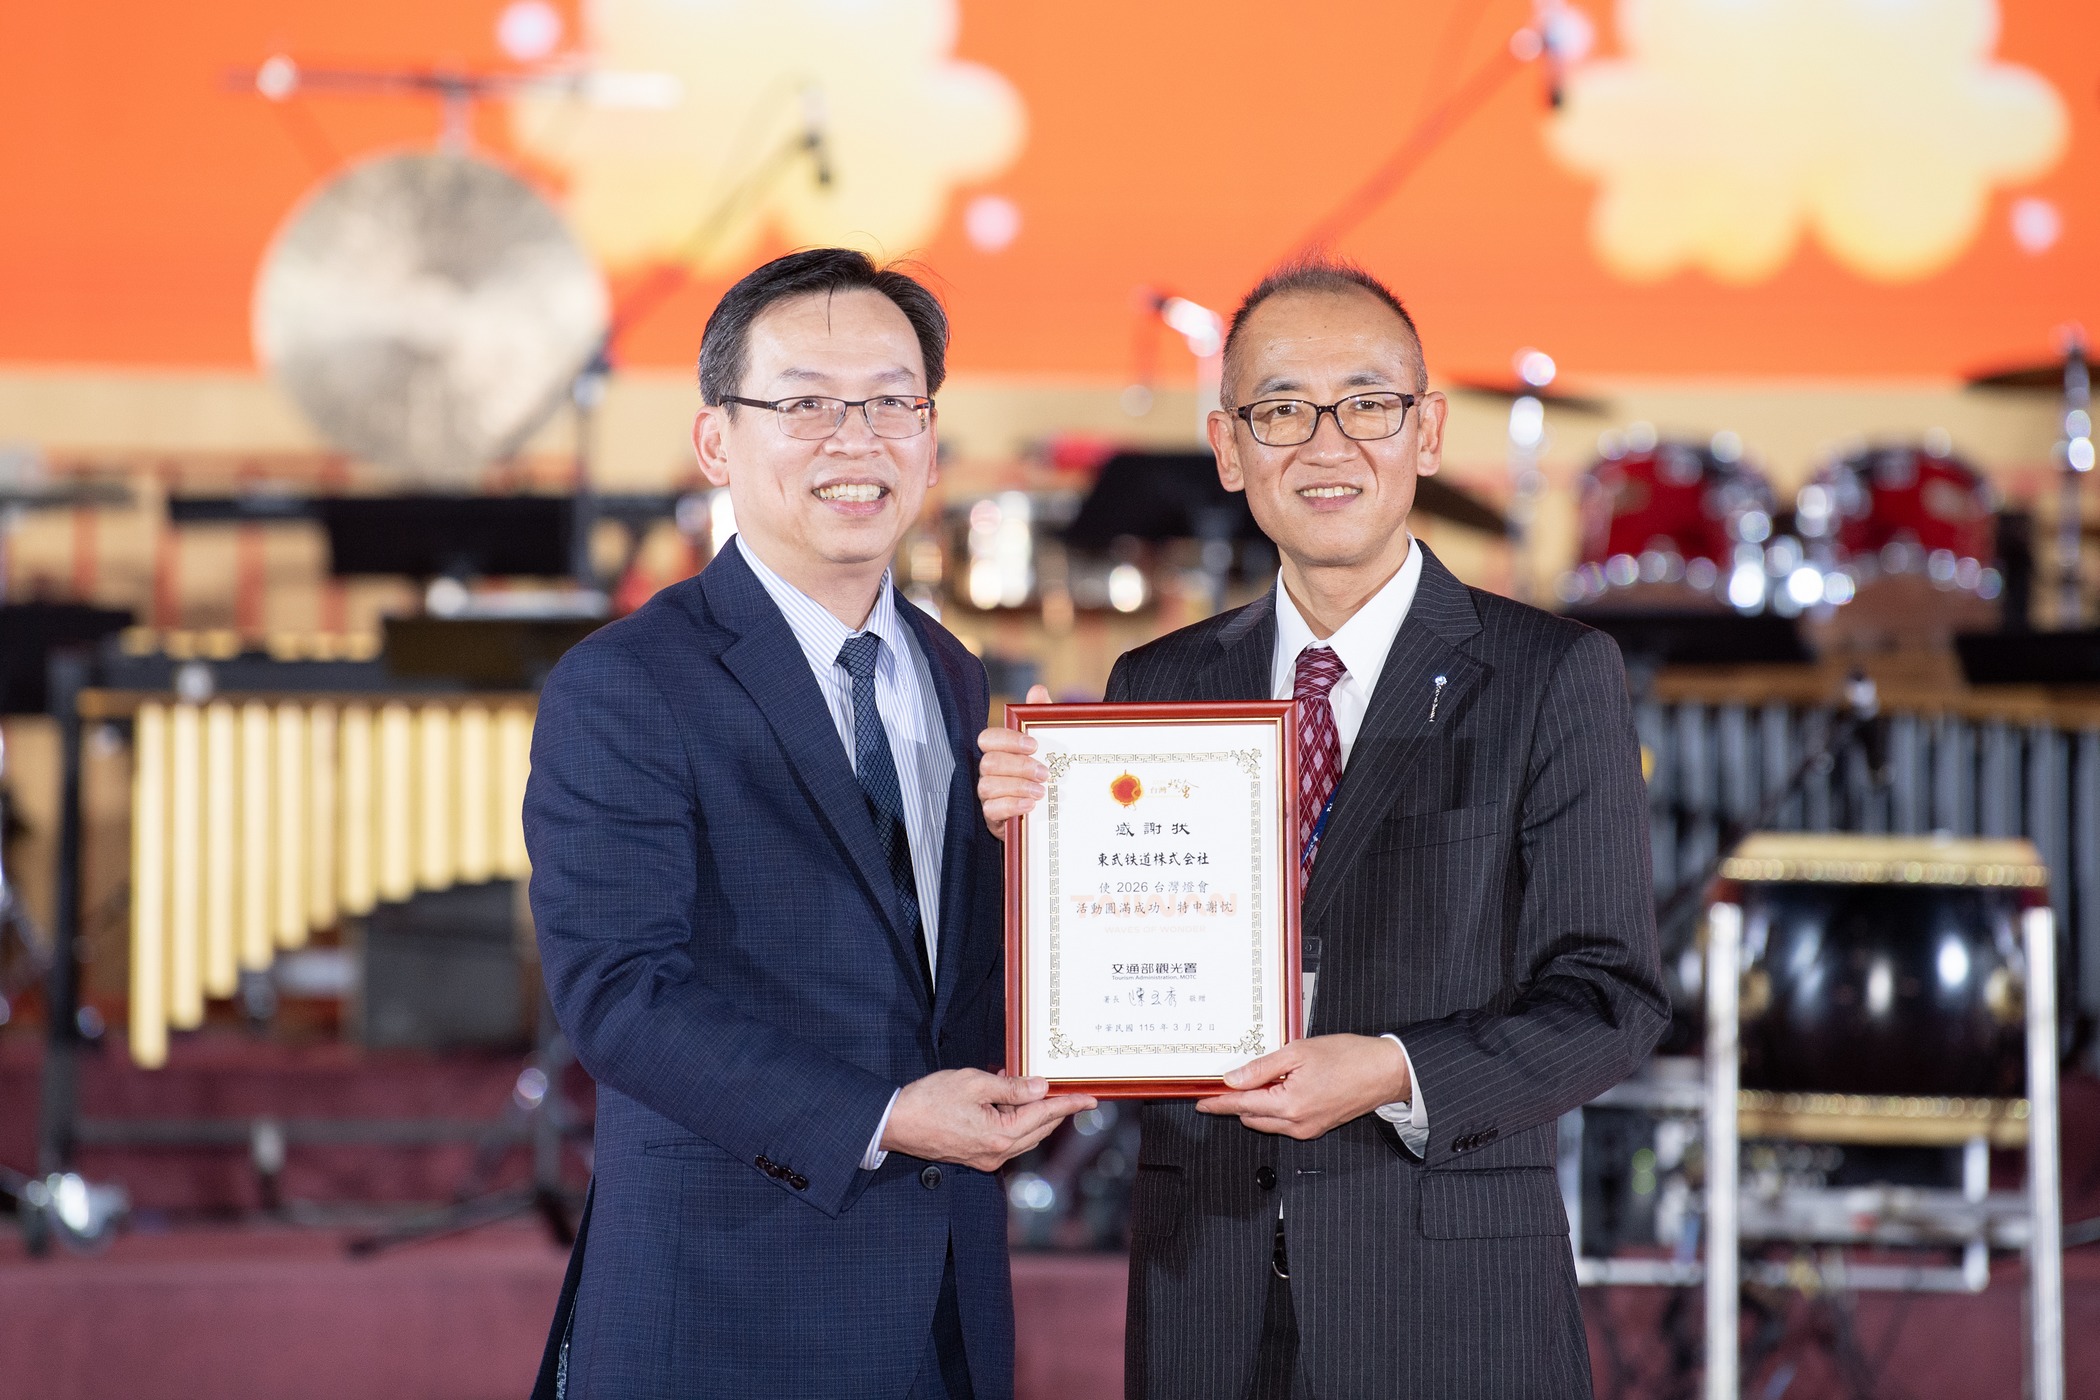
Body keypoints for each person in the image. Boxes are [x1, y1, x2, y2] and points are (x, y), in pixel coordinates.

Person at [979, 258, 1666, 1399]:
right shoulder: (1156, 684)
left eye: (1368, 404)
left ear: (1427, 431)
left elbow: (1609, 999)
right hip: (1207, 1302)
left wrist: (1392, 1069)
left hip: (1448, 1307)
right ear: (1229, 448)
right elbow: (1096, 978)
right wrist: (1033, 856)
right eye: (1283, 409)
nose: (1326, 444)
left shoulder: (1551, 674)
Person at [526, 248, 1092, 1400]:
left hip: (943, 1313)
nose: (855, 439)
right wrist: (885, 1116)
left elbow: (937, 975)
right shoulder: (627, 681)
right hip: (725, 1314)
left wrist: (1053, 875)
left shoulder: (952, 672)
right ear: (716, 440)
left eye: (890, 402)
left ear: (929, 435)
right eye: (805, 405)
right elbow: (620, 996)